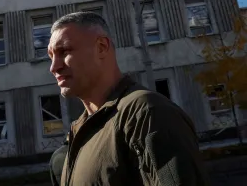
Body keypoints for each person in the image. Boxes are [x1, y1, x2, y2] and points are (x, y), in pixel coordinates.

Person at [47, 12, 210, 186]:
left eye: (64, 51)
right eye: (51, 56)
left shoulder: (147, 114)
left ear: (101, 47)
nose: (54, 67)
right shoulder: (78, 130)